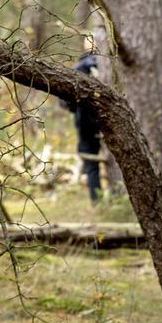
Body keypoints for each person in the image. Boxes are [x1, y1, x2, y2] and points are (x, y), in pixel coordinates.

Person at [67, 42, 103, 203]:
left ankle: (97, 200)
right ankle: (119, 197)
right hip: (112, 120)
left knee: (91, 161)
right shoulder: (111, 66)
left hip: (86, 123)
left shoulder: (79, 68)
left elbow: (68, 101)